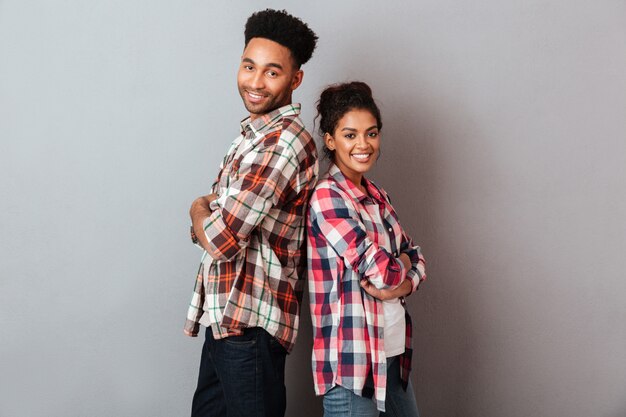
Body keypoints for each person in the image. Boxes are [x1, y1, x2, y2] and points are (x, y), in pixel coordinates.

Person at [184, 9, 318, 417]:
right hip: (228, 318)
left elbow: (220, 236)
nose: (255, 82)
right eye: (248, 66)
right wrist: (207, 215)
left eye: (271, 72)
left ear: (295, 79)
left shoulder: (283, 143)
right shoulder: (253, 137)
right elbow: (213, 225)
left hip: (251, 322)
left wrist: (196, 207)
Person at [307, 82, 427, 416]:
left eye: (371, 134)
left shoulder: (379, 196)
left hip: (391, 356)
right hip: (353, 366)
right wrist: (402, 272)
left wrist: (402, 281)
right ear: (330, 141)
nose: (363, 144)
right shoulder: (328, 197)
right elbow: (385, 272)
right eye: (350, 135)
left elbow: (416, 255)